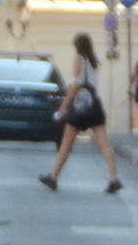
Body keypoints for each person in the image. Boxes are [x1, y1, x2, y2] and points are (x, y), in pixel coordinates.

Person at [41, 32, 121, 194]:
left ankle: (54, 178)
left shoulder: (79, 60)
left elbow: (76, 85)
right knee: (103, 142)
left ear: (78, 46)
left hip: (79, 106)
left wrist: (64, 106)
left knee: (67, 142)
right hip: (93, 105)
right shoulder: (93, 62)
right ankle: (114, 178)